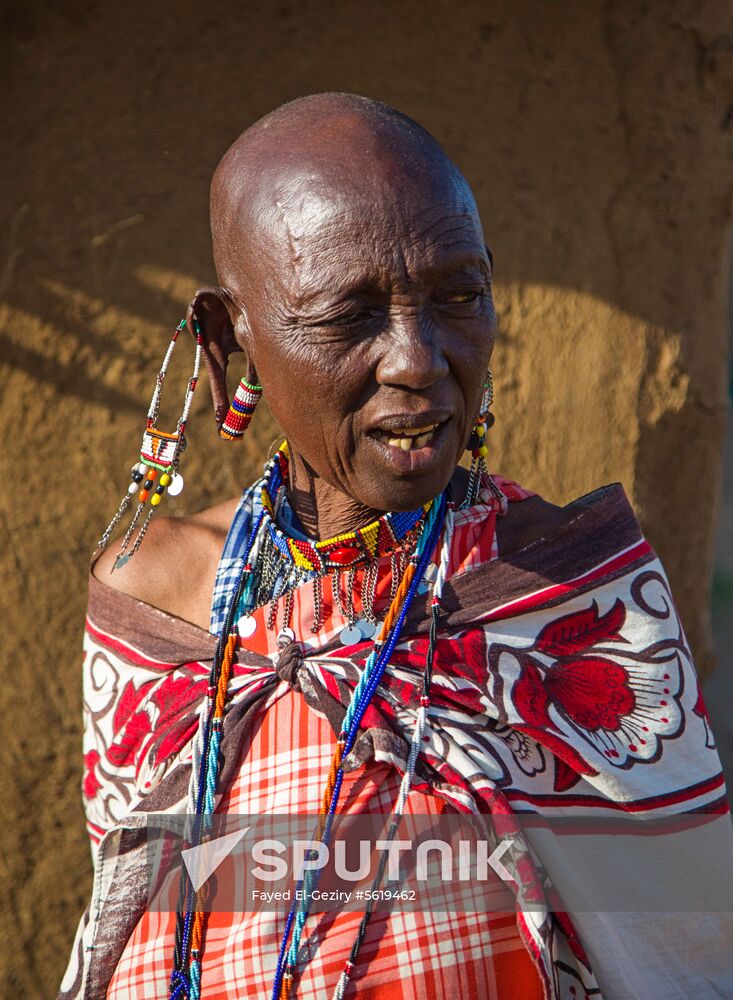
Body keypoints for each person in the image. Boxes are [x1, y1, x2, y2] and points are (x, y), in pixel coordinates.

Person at [59, 93, 732, 1000]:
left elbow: (682, 957)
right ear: (231, 340)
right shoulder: (159, 602)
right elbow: (132, 915)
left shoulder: (569, 596)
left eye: (458, 296)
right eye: (346, 316)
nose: (416, 358)